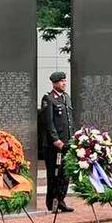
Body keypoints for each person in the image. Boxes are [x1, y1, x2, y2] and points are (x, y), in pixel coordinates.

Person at [42, 71, 73, 213]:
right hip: (54, 146)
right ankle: (51, 202)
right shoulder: (48, 99)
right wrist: (55, 140)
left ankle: (61, 199)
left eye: (64, 81)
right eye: (61, 81)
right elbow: (48, 123)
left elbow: (69, 121)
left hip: (67, 143)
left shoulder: (66, 98)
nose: (64, 83)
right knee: (54, 174)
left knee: (65, 174)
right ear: (54, 83)